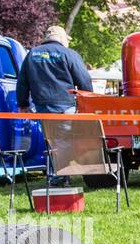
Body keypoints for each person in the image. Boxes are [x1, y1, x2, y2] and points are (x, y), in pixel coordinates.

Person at [17, 26, 93, 186]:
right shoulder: (68, 54)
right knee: (63, 141)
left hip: (42, 107)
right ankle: (59, 176)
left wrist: (23, 104)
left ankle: (57, 174)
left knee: (51, 141)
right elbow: (84, 79)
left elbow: (22, 82)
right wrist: (88, 99)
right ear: (62, 38)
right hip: (65, 105)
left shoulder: (32, 54)